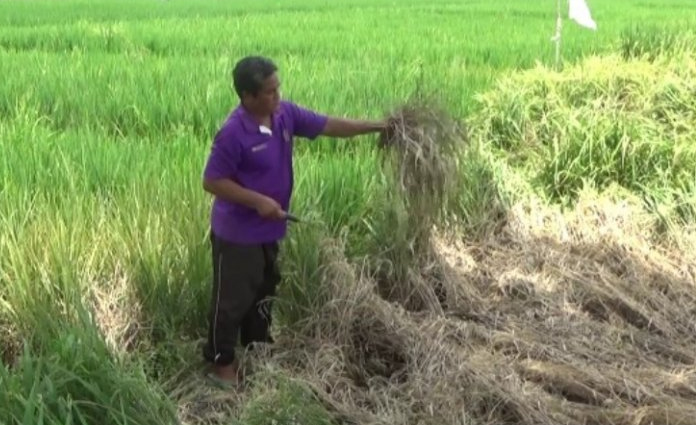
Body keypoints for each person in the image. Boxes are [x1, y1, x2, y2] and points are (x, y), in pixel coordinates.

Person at [201, 55, 386, 387]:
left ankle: (257, 349)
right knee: (231, 301)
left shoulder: (284, 115)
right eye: (270, 91)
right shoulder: (233, 133)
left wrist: (378, 126)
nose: (277, 95)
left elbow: (329, 125)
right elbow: (212, 181)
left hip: (269, 229)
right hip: (238, 234)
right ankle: (220, 363)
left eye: (278, 88)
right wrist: (257, 201)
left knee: (264, 292)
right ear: (247, 96)